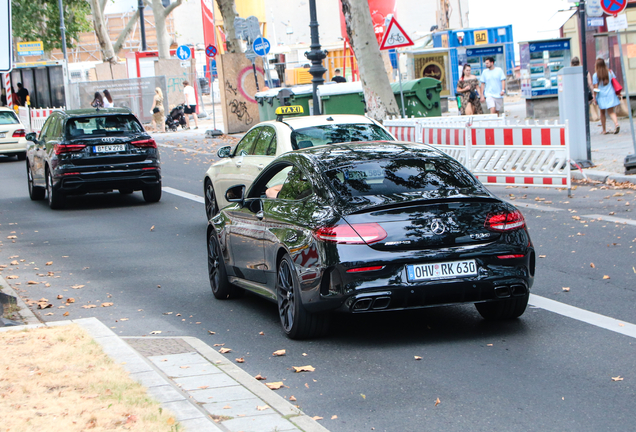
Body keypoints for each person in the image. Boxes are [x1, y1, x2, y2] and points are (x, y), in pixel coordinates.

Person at [593, 58, 620, 134]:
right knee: (611, 111)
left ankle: (604, 130)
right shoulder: (610, 72)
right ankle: (616, 123)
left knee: (602, 113)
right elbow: (614, 82)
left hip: (601, 95)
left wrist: (594, 97)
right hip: (610, 94)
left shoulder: (595, 75)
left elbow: (596, 88)